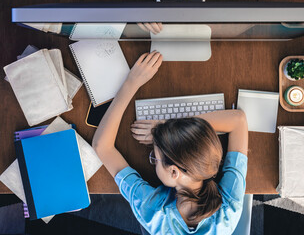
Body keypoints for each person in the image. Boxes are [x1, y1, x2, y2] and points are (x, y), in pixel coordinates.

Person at [92, 51, 248, 235]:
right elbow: (238, 120)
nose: (154, 160)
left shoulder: (154, 212)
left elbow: (102, 147)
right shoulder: (226, 208)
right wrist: (172, 129)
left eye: (155, 158)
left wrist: (131, 83)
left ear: (174, 171)